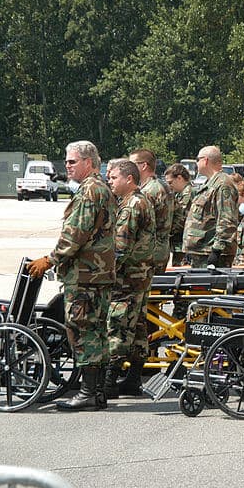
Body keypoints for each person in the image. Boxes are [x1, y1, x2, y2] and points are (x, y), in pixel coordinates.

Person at [27, 140, 116, 411]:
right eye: (66, 161)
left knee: (82, 329)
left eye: (72, 161)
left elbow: (75, 233)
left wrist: (51, 259)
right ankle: (98, 391)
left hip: (85, 274)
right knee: (98, 330)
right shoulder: (101, 188)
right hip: (98, 272)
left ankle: (88, 392)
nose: (67, 165)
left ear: (89, 162)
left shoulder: (90, 191)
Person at [103, 160, 156, 399]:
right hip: (141, 277)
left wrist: (104, 275)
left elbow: (120, 250)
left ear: (129, 179)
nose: (110, 181)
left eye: (114, 177)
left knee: (118, 326)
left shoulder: (132, 206)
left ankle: (108, 381)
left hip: (127, 279)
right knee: (137, 328)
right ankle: (133, 379)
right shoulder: (139, 201)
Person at [183, 145, 239, 267]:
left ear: (205, 160)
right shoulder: (210, 183)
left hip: (211, 254)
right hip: (202, 252)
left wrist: (216, 251)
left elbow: (227, 220)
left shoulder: (223, 184)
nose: (196, 163)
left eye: (198, 159)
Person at [129, 149, 173, 274]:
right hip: (161, 249)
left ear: (143, 166)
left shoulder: (149, 191)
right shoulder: (162, 185)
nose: (129, 168)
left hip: (150, 253)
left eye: (132, 164)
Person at [164, 163, 193, 267]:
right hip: (179, 242)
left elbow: (181, 218)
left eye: (170, 182)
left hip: (183, 243)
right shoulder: (178, 194)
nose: (169, 186)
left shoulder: (188, 194)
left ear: (179, 178)